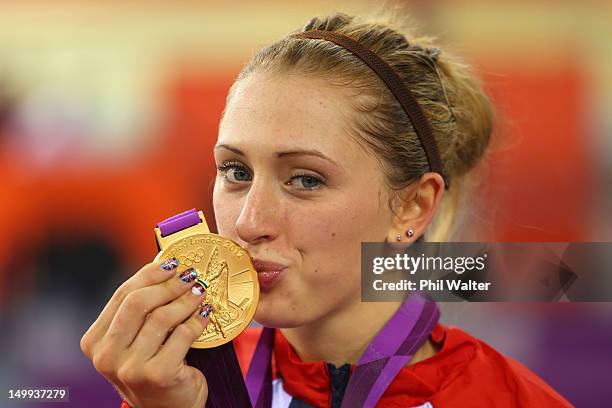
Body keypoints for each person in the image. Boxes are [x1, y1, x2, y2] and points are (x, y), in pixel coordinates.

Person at [80, 12, 572, 408]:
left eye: (305, 180)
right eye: (235, 171)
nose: (250, 223)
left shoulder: (510, 400)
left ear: (413, 207)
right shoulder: (181, 385)